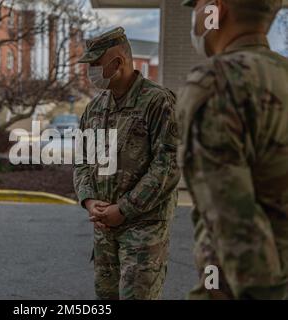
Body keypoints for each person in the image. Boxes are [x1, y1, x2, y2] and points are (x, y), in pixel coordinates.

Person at [178, 0, 288, 299]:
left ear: (217, 9)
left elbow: (234, 223)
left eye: (197, 6)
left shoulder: (217, 83)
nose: (195, 16)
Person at [74, 27, 181, 299]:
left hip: (143, 231)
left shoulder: (157, 101)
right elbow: (84, 160)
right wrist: (89, 200)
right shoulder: (95, 108)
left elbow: (167, 166)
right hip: (104, 232)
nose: (90, 72)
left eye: (96, 65)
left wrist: (124, 208)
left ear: (118, 62)